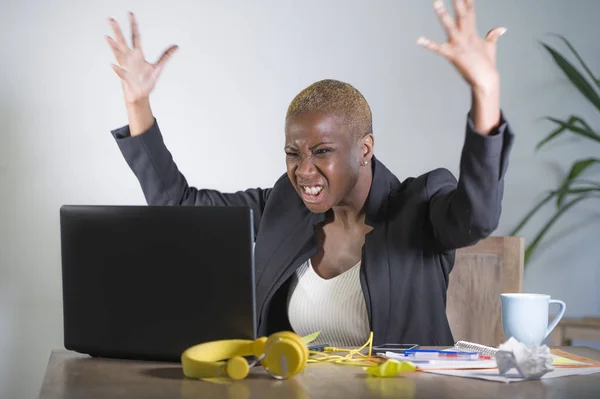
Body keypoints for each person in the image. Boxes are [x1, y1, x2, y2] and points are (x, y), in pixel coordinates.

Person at [106, 0, 514, 347]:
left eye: (321, 152)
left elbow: (477, 216)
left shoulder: (420, 205)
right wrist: (137, 103)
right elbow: (180, 207)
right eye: (292, 152)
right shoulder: (283, 204)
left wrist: (485, 93)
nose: (304, 170)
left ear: (365, 149)